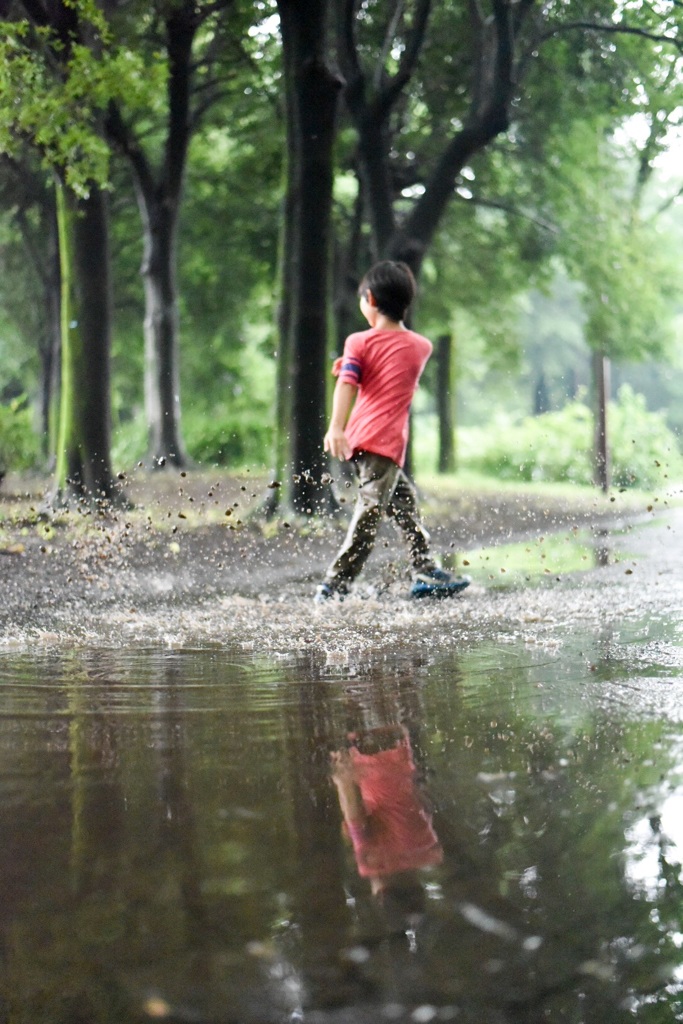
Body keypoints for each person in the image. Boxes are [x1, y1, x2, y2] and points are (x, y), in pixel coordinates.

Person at [315, 260, 470, 602]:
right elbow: (390, 367)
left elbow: (348, 382)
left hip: (369, 438)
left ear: (369, 299)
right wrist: (354, 364)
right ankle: (336, 584)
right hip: (383, 443)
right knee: (371, 511)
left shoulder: (358, 342)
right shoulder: (421, 347)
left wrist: (336, 427)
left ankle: (424, 570)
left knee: (401, 502)